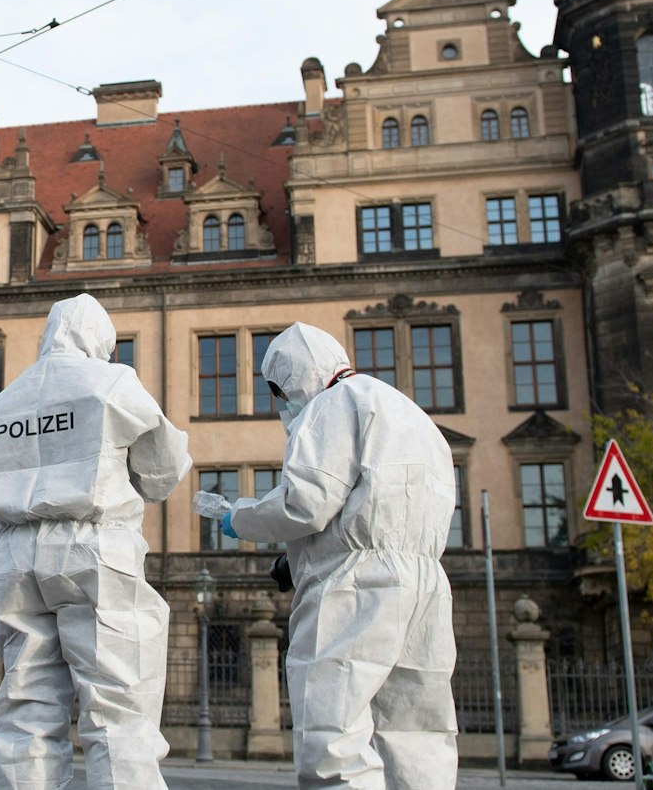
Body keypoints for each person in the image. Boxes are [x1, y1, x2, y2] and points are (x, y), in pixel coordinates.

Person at [196, 322, 457, 789]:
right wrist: (296, 561)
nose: (281, 404)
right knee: (416, 729)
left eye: (279, 392)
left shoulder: (331, 405)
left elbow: (307, 502)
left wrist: (241, 516)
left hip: (356, 588)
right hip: (425, 582)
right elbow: (370, 504)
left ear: (293, 379)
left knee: (333, 732)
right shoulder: (409, 412)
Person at [0, 293, 191, 790]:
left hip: (10, 554)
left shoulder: (0, 403)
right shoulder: (112, 382)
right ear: (103, 343)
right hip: (90, 545)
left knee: (24, 706)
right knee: (118, 706)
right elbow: (163, 471)